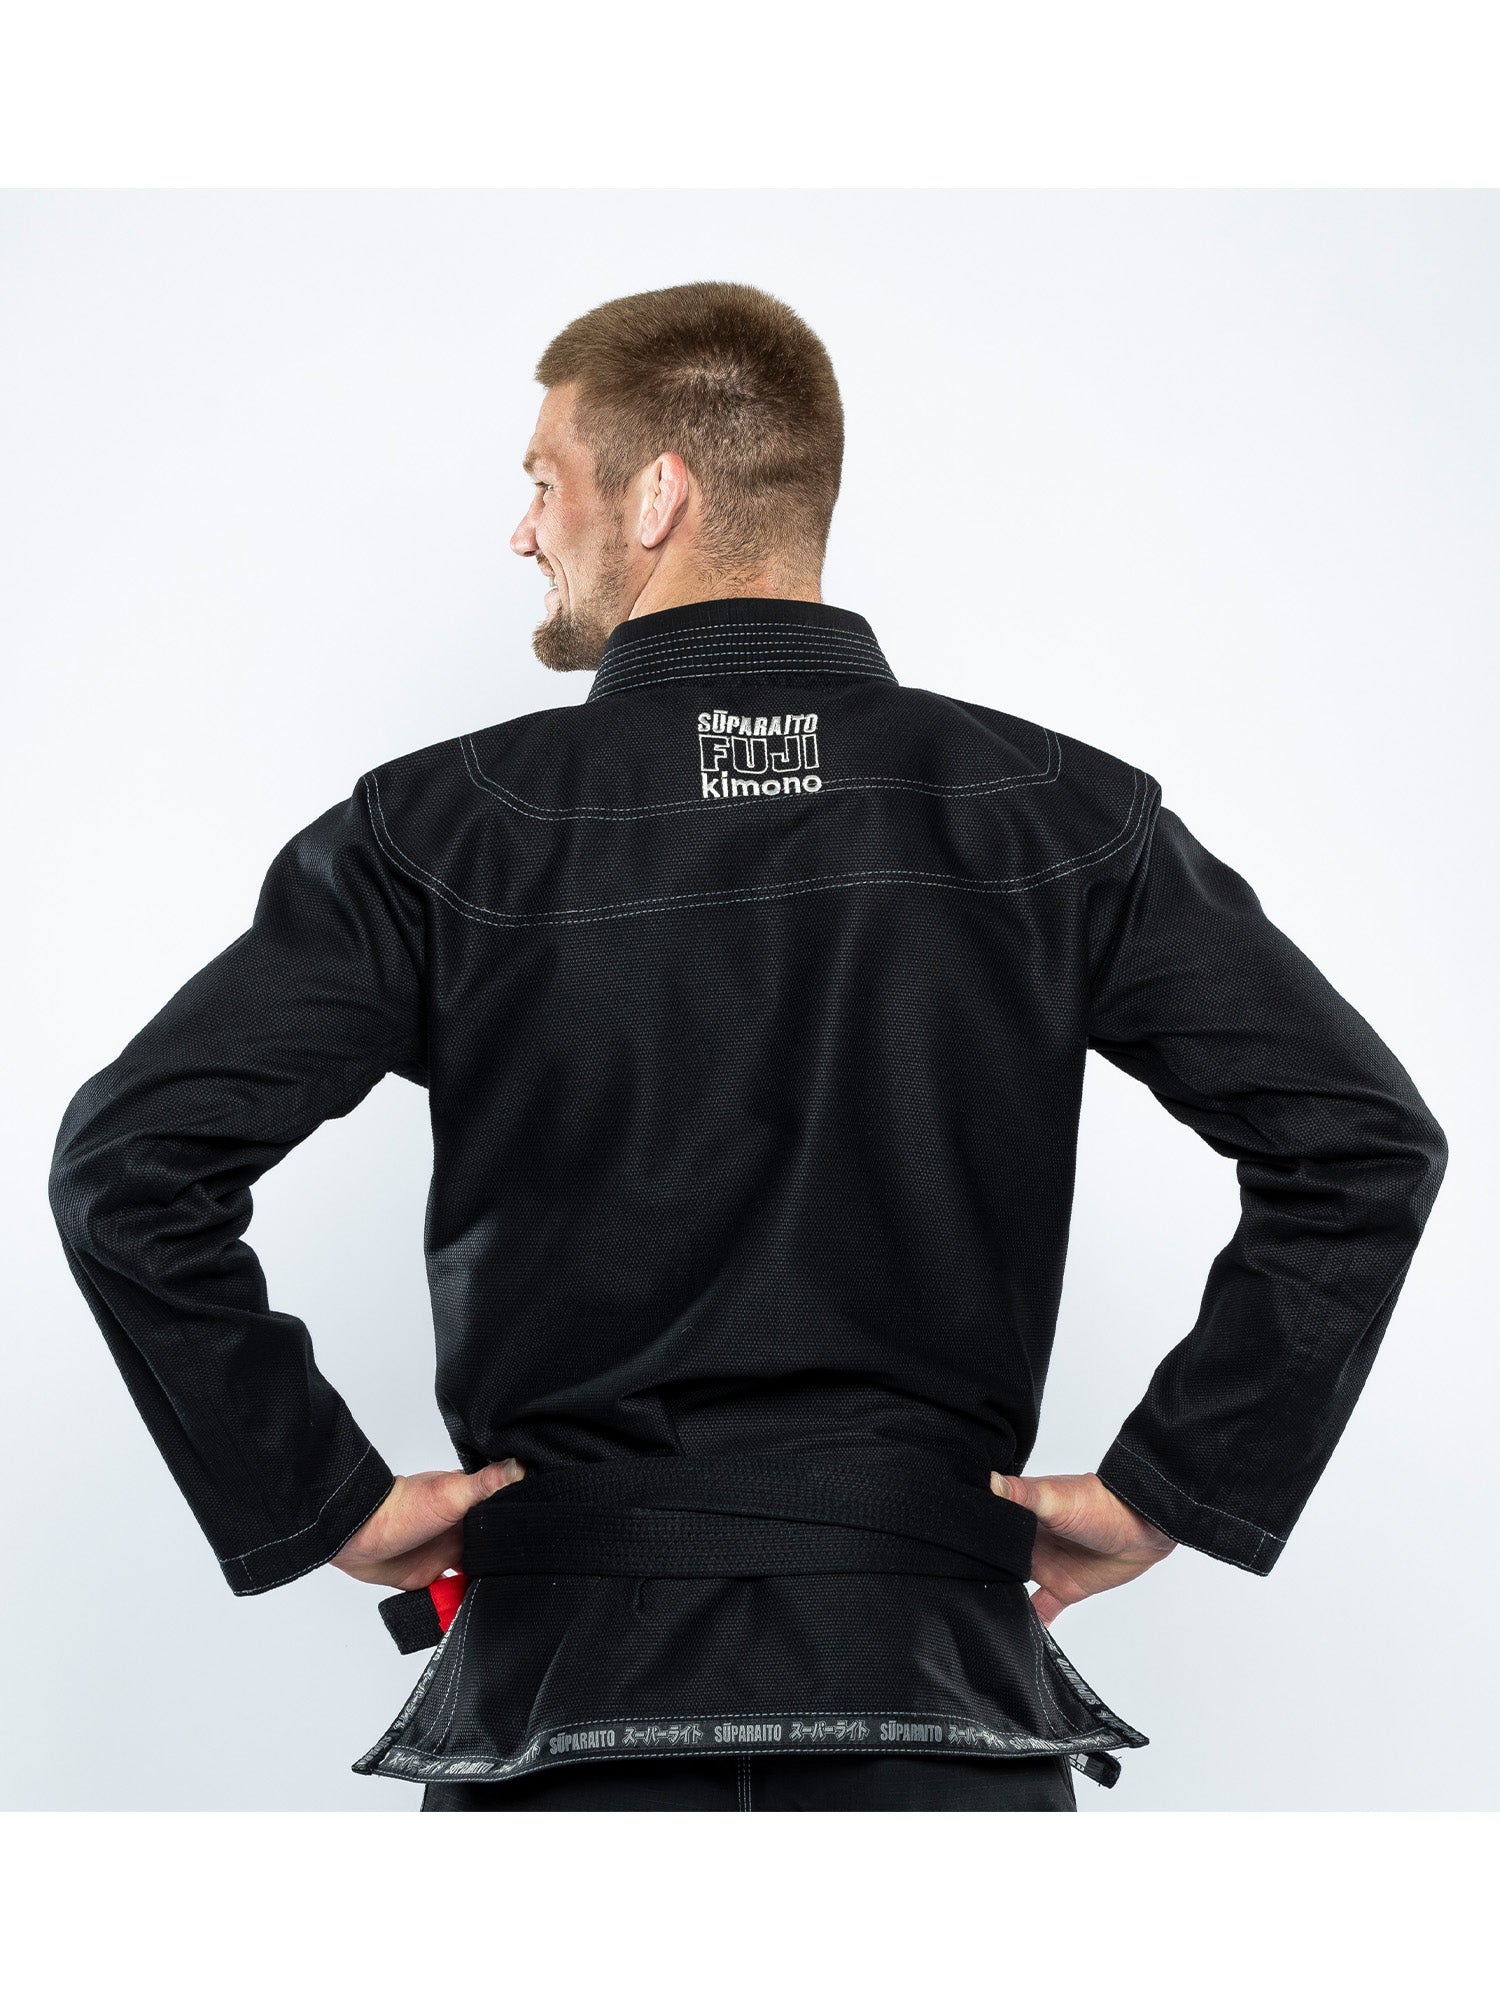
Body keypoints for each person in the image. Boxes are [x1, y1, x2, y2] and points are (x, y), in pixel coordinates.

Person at [48, 280, 1447, 1813]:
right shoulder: (1055, 817)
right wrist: (1173, 1488)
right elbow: (1360, 1140)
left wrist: (323, 1500)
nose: (524, 530)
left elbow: (130, 1167)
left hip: (565, 1716)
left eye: (544, 481)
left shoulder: (441, 831)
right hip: (933, 1710)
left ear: (657, 494)